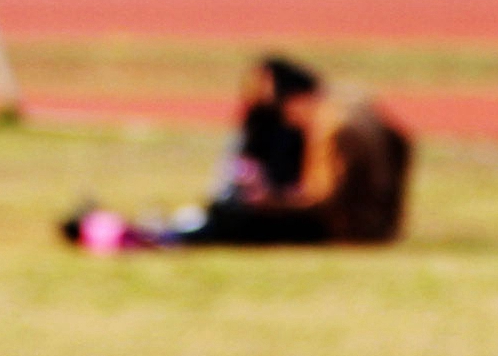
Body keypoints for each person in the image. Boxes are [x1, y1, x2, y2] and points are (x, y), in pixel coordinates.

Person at [61, 56, 412, 250]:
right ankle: (160, 233)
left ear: (294, 101)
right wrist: (391, 210)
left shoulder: (332, 127)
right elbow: (403, 141)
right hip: (374, 225)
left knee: (234, 216)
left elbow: (323, 200)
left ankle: (152, 237)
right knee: (232, 212)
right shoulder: (353, 104)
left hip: (347, 231)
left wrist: (271, 200)